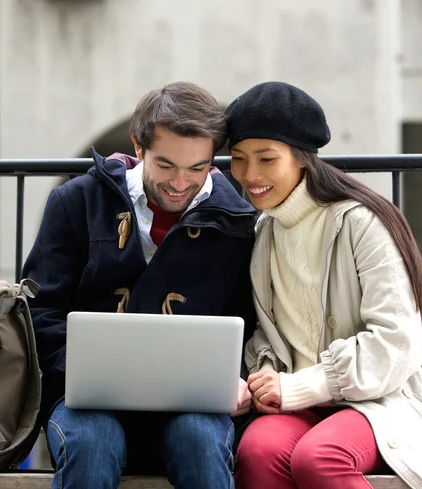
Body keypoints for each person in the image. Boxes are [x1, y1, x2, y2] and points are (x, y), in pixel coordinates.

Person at [21, 81, 257, 489]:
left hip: (194, 406)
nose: (181, 183)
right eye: (166, 165)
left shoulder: (237, 223)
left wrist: (234, 380)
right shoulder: (76, 203)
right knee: (91, 444)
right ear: (138, 147)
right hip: (86, 401)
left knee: (201, 441)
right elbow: (38, 312)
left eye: (197, 168)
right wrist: (80, 369)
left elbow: (250, 323)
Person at [225, 81, 422, 489]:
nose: (250, 175)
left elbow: (396, 341)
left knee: (320, 457)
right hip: (299, 404)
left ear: (302, 159)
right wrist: (265, 375)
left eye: (267, 159)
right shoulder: (265, 232)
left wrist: (301, 386)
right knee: (256, 453)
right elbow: (268, 333)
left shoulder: (362, 223)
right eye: (237, 159)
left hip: (378, 401)